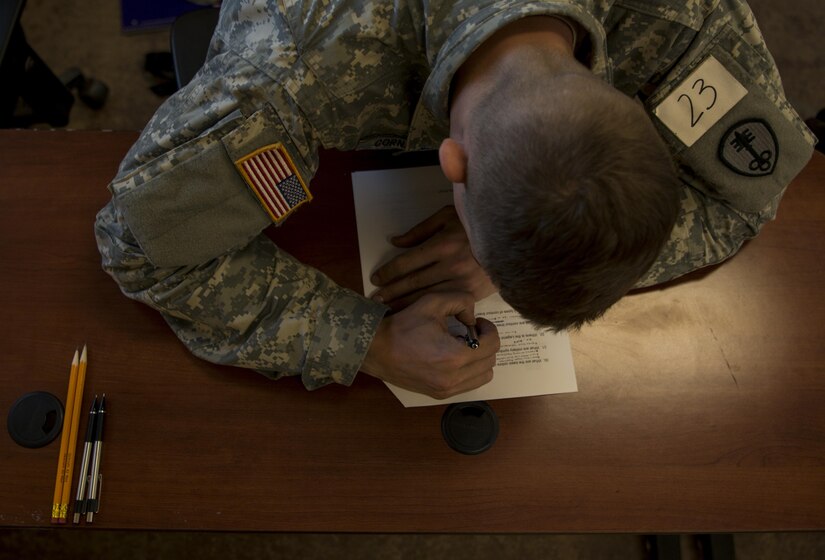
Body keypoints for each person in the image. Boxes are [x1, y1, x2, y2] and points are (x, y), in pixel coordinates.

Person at [94, 0, 815, 399]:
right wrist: (366, 341)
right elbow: (140, 246)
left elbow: (744, 194)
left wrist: (509, 249)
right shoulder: (292, 68)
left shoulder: (677, 20)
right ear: (452, 164)